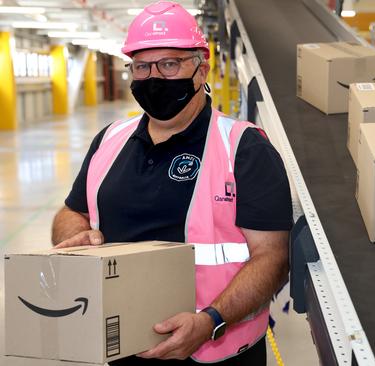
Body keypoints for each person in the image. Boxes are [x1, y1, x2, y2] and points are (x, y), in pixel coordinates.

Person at [50, 1, 292, 365]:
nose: (154, 78)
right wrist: (75, 235)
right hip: (117, 343)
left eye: (169, 64)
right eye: (142, 67)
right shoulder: (110, 139)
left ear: (200, 70)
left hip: (213, 350)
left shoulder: (243, 148)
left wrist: (210, 321)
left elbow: (273, 257)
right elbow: (72, 212)